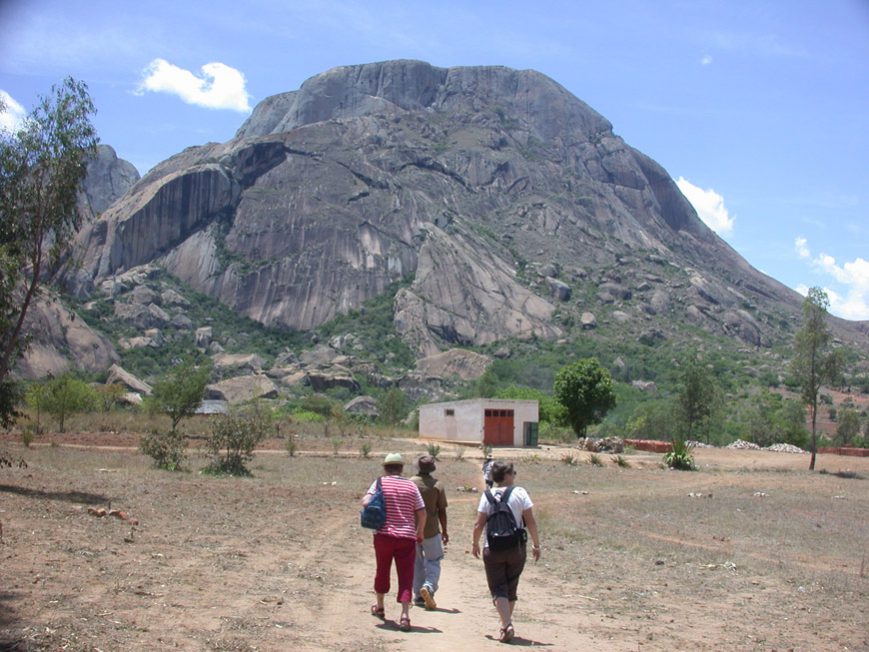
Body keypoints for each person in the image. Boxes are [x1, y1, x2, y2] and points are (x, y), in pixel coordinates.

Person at [471, 460, 541, 643]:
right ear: (507, 476)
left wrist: (474, 543)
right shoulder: (520, 492)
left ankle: (506, 624)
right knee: (511, 585)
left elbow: (479, 524)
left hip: (492, 547)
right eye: (513, 472)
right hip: (516, 547)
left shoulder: (487, 495)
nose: (515, 475)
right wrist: (536, 544)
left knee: (498, 588)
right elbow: (530, 521)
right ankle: (506, 624)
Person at [362, 452, 426, 632]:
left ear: (385, 467)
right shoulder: (411, 486)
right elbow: (422, 512)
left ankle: (380, 606)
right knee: (406, 575)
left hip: (383, 536)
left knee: (382, 570)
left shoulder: (380, 483)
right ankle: (405, 615)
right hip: (406, 537)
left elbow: (366, 502)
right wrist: (419, 532)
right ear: (401, 468)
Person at [410, 454, 449, 610]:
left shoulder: (411, 483)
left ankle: (419, 596)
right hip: (431, 530)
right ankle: (429, 586)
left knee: (416, 562)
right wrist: (445, 531)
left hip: (413, 529)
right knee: (433, 561)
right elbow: (442, 511)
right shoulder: (437, 485)